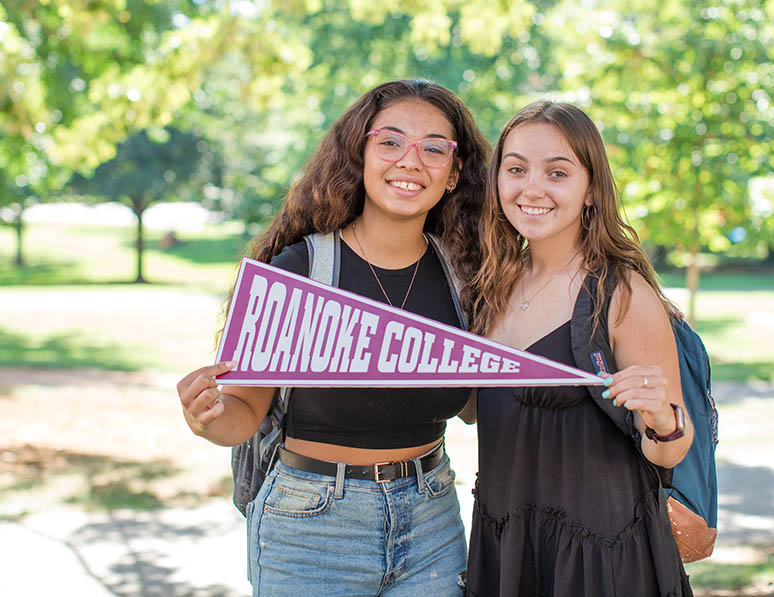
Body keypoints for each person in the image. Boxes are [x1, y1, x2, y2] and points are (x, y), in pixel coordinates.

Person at [176, 79, 490, 596]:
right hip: (312, 530)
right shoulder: (300, 271)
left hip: (432, 517)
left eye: (434, 148)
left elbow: (475, 407)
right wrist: (205, 417)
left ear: (454, 174)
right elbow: (242, 414)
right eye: (390, 142)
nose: (411, 161)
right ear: (360, 152)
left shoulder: (464, 277)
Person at [463, 101, 695, 596]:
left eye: (558, 172)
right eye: (517, 169)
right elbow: (473, 412)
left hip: (600, 563)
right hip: (507, 550)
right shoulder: (490, 286)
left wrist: (660, 415)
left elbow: (671, 447)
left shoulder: (622, 292)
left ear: (591, 190)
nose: (533, 188)